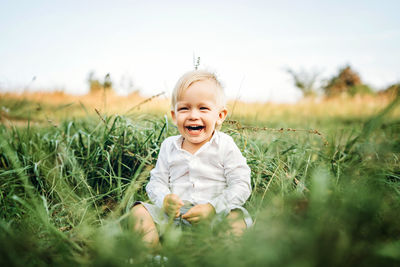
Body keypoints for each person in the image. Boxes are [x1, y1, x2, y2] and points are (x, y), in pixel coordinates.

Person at [131, 70, 252, 248]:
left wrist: (213, 207)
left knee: (237, 218)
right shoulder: (168, 146)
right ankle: (153, 256)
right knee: (138, 211)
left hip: (215, 216)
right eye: (184, 108)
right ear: (174, 116)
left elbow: (241, 183)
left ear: (220, 116)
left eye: (203, 108)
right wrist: (164, 199)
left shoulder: (225, 145)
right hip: (174, 217)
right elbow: (156, 182)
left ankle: (222, 257)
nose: (193, 115)